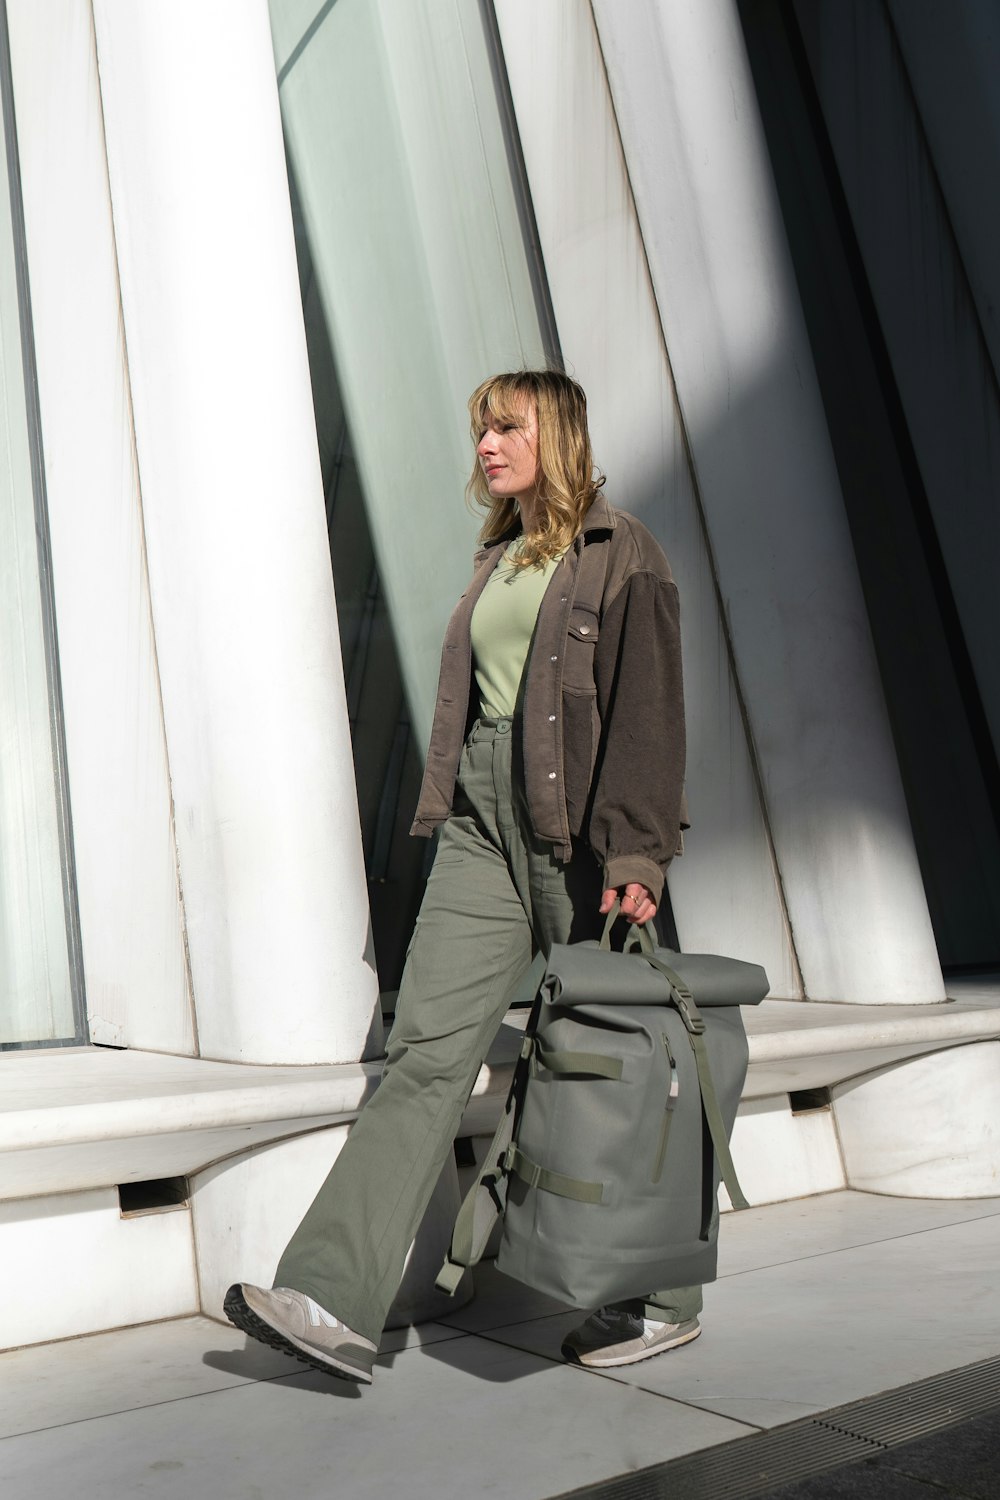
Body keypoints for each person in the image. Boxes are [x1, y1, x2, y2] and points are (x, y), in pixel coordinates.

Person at [225, 369, 697, 1384]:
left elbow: (647, 713)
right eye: (480, 430)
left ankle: (656, 1296)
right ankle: (326, 1295)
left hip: (579, 837)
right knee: (422, 1053)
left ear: (556, 433)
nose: (485, 446)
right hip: (481, 828)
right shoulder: (500, 556)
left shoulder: (622, 554)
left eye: (506, 427)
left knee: (614, 1061)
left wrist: (636, 849)